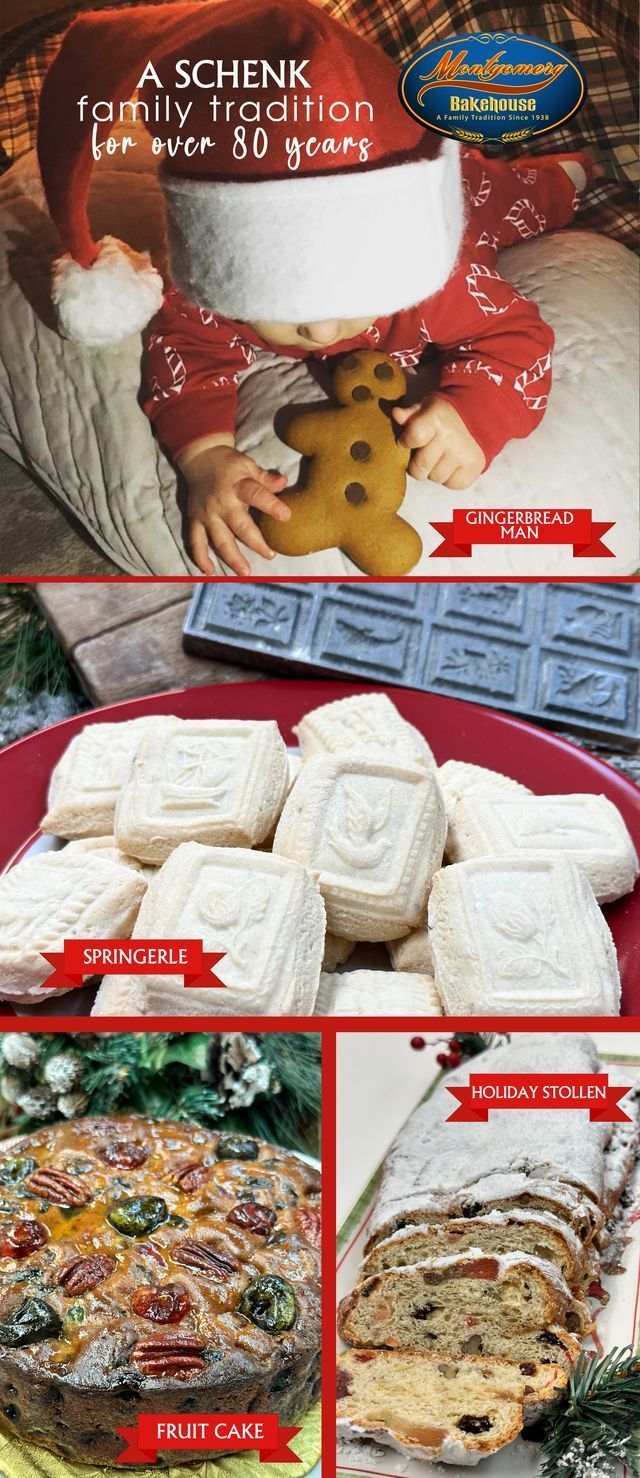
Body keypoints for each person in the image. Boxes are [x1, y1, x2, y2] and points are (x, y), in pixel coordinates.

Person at [37, 0, 592, 575]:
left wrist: (476, 416)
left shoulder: (438, 284)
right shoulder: (212, 288)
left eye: (350, 296)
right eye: (280, 307)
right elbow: (185, 351)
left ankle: (567, 172)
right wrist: (204, 456)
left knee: (507, 193)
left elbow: (518, 336)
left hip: (465, 197)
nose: (322, 332)